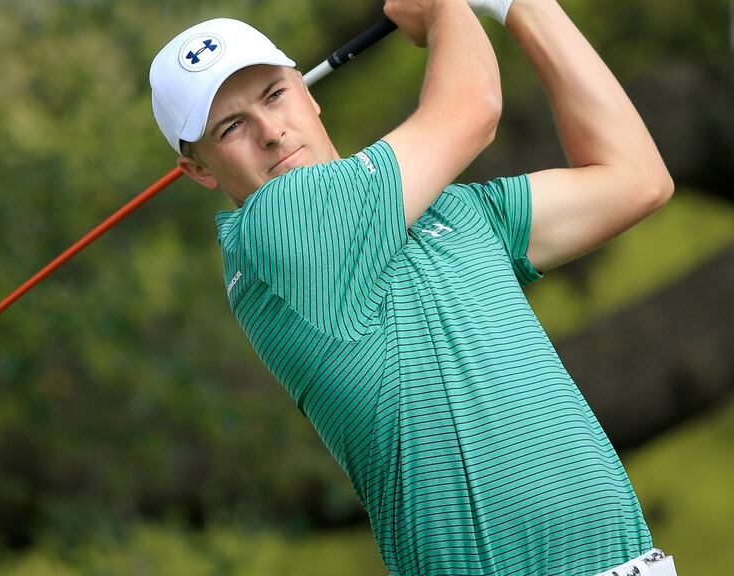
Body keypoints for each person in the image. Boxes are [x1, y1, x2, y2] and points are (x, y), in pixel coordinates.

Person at [148, 0, 675, 574]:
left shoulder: (453, 212)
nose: (271, 133)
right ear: (199, 169)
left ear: (308, 92)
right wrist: (446, 8)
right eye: (231, 127)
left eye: (275, 95)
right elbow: (473, 107)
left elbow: (636, 178)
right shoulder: (273, 233)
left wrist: (525, 8)